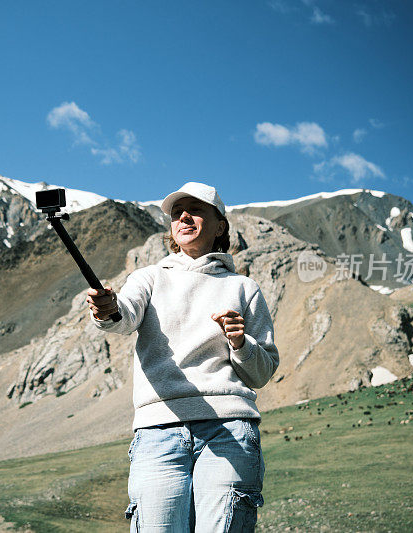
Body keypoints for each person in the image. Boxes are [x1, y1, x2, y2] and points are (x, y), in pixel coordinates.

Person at [86, 181, 279, 532]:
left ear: (220, 224)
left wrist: (241, 343)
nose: (184, 216)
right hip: (157, 431)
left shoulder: (243, 288)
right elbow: (122, 316)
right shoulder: (147, 278)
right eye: (177, 213)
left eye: (196, 210)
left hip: (230, 430)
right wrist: (106, 308)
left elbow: (262, 372)